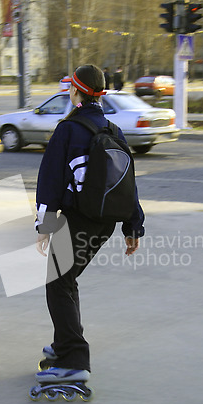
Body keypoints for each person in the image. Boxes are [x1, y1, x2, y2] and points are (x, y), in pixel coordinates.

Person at [35, 64, 145, 384]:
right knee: (66, 281)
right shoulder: (113, 130)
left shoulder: (68, 129)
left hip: (78, 220)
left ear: (75, 92)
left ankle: (73, 358)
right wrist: (132, 226)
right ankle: (64, 344)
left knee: (57, 282)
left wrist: (44, 226)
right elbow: (128, 181)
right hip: (105, 223)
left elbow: (51, 182)